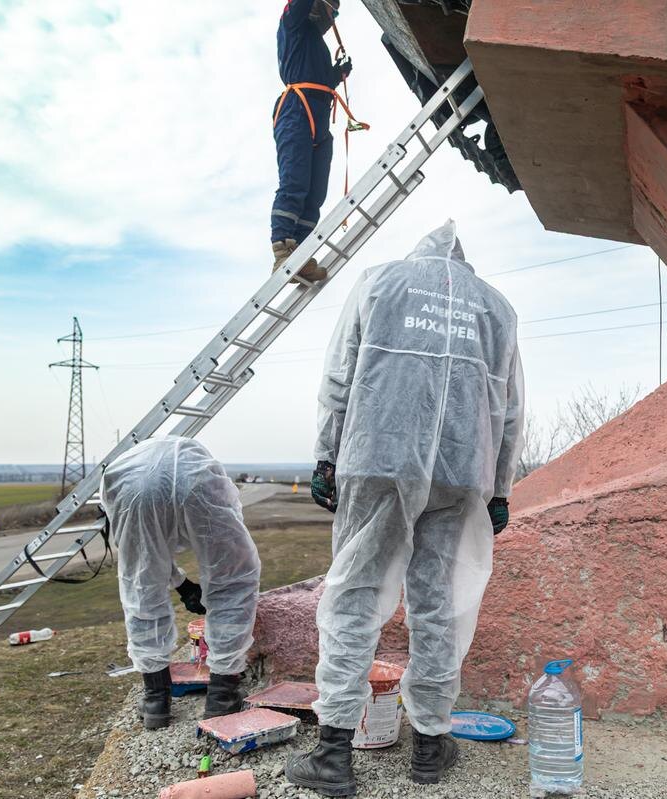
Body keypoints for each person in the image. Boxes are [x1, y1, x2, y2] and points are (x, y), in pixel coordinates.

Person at [286, 221, 525, 795]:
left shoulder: (380, 281)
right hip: (462, 468)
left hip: (377, 456)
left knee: (354, 594)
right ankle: (429, 746)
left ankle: (333, 754)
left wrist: (325, 455)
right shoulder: (496, 308)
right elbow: (510, 406)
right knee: (440, 603)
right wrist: (500, 487)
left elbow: (340, 375)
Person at [101, 436, 262, 730]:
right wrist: (184, 584)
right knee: (233, 579)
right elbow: (228, 564)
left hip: (132, 489)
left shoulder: (124, 469)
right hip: (197, 480)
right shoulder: (188, 459)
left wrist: (183, 585)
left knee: (141, 588)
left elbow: (147, 559)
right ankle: (222, 696)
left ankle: (156, 700)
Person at [271, 0, 352, 283]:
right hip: (296, 110)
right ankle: (283, 250)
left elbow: (321, 78)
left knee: (315, 192)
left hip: (319, 114)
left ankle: (301, 253)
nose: (333, 16)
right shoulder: (293, 25)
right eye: (332, 9)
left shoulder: (316, 43)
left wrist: (338, 74)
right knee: (294, 181)